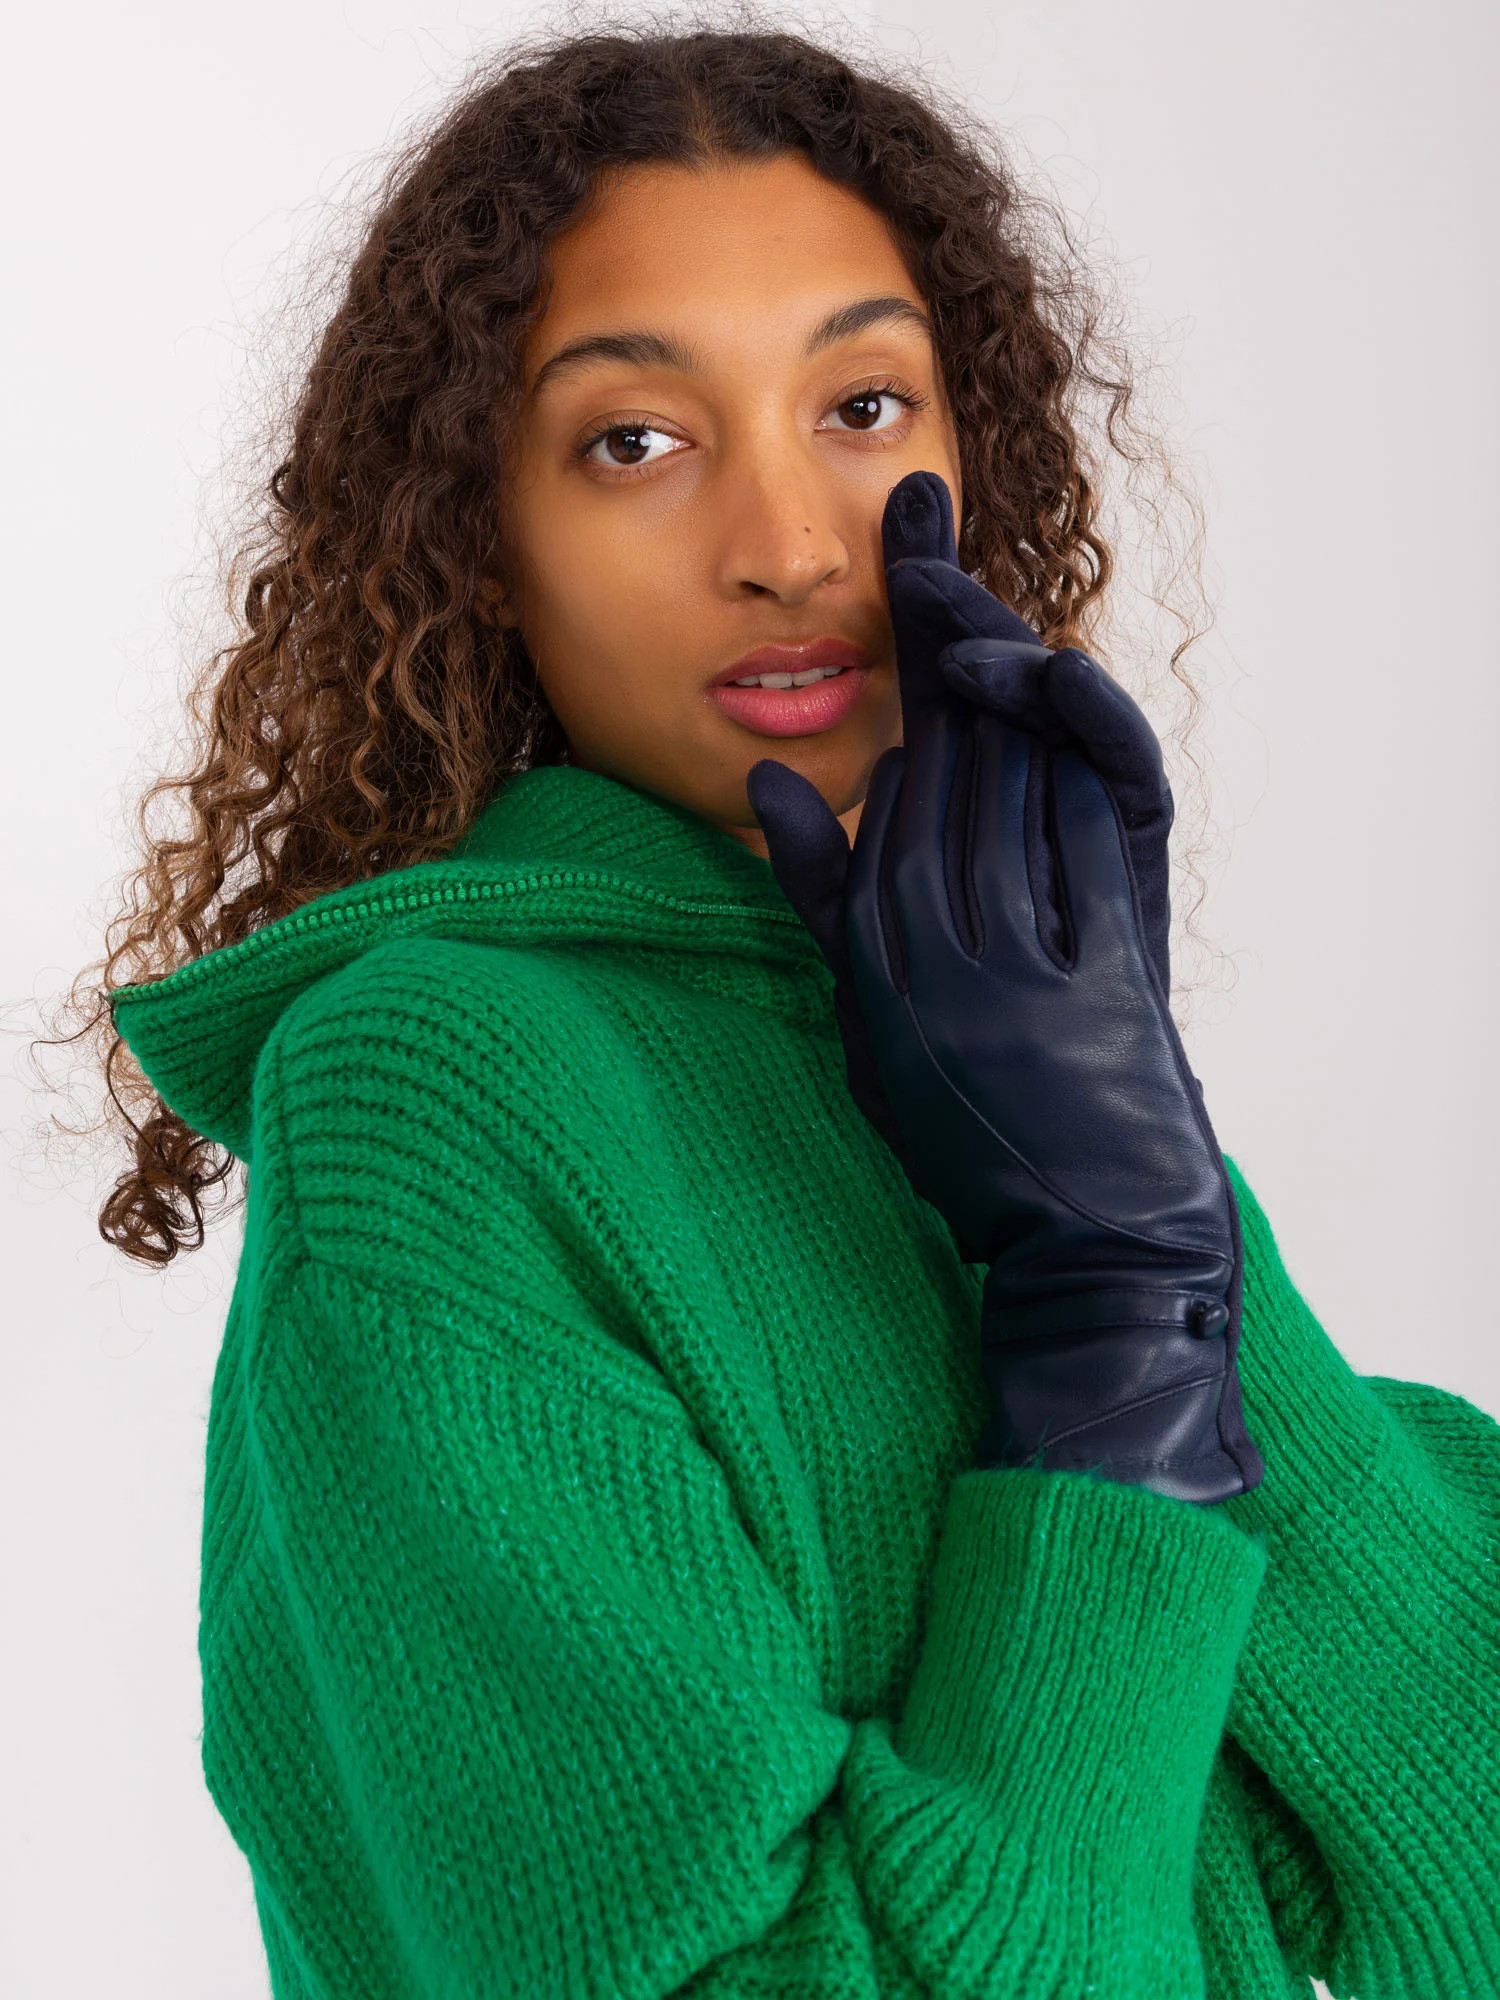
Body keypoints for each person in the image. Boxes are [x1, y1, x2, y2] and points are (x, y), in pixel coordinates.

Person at [83, 22, 1498, 2000]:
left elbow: (1452, 1862)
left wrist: (1157, 1235)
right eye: (635, 441)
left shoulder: (977, 1043)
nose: (794, 545)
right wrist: (1104, 1369)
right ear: (480, 540)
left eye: (863, 403)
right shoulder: (425, 1094)